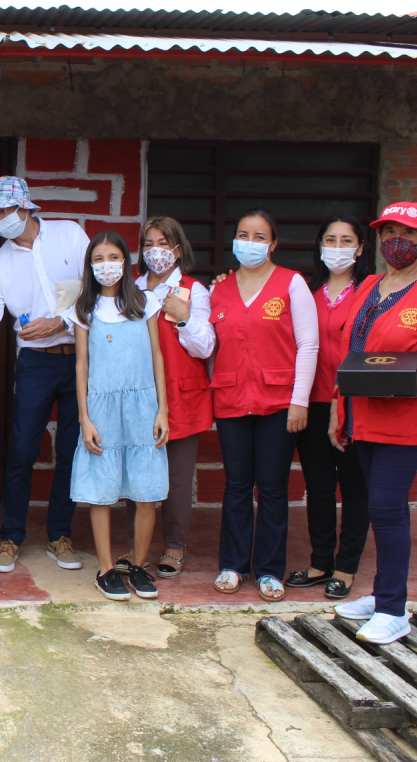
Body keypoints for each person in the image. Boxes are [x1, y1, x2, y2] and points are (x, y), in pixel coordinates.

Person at [331, 202, 417, 644]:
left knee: (387, 508)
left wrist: (409, 386)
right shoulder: (371, 285)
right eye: (388, 231)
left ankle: (394, 611)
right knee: (379, 507)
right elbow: (356, 353)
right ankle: (383, 593)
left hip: (404, 422)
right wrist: (342, 415)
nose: (396, 241)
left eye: (407, 234)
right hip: (364, 418)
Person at [210, 209, 319, 602]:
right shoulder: (218, 289)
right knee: (237, 486)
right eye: (243, 234)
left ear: (273, 244)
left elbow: (309, 344)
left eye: (259, 236)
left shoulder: (292, 284)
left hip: (278, 402)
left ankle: (270, 569)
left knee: (272, 489)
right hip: (231, 399)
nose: (250, 243)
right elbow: (208, 345)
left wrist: (299, 400)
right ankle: (233, 564)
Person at [0, 176, 89, 574]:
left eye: (4, 210)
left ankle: (60, 535)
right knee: (23, 450)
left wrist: (60, 322)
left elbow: (97, 288)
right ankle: (11, 537)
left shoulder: (69, 234)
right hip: (35, 364)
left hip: (80, 357)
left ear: (25, 208)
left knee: (71, 450)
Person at [67, 231, 170, 601]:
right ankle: (107, 569)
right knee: (101, 490)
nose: (105, 264)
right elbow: (81, 366)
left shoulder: (146, 302)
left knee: (145, 493)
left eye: (113, 256)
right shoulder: (84, 309)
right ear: (90, 265)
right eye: (98, 258)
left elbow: (158, 356)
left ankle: (139, 566)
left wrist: (163, 409)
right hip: (101, 408)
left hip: (143, 406)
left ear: (126, 261)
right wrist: (85, 418)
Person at [123, 217, 214, 578]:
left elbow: (205, 347)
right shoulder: (131, 289)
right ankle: (135, 547)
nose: (155, 251)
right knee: (136, 477)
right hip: (137, 395)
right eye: (148, 243)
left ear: (178, 249)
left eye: (163, 242)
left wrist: (183, 318)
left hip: (181, 395)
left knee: (176, 478)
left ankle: (174, 546)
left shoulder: (195, 290)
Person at [286, 215, 372, 601]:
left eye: (346, 240)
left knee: (354, 488)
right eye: (330, 240)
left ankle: (346, 566)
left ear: (359, 248)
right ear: (319, 246)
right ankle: (321, 561)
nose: (337, 247)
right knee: (318, 487)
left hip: (355, 404)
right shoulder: (306, 291)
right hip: (313, 402)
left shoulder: (372, 291)